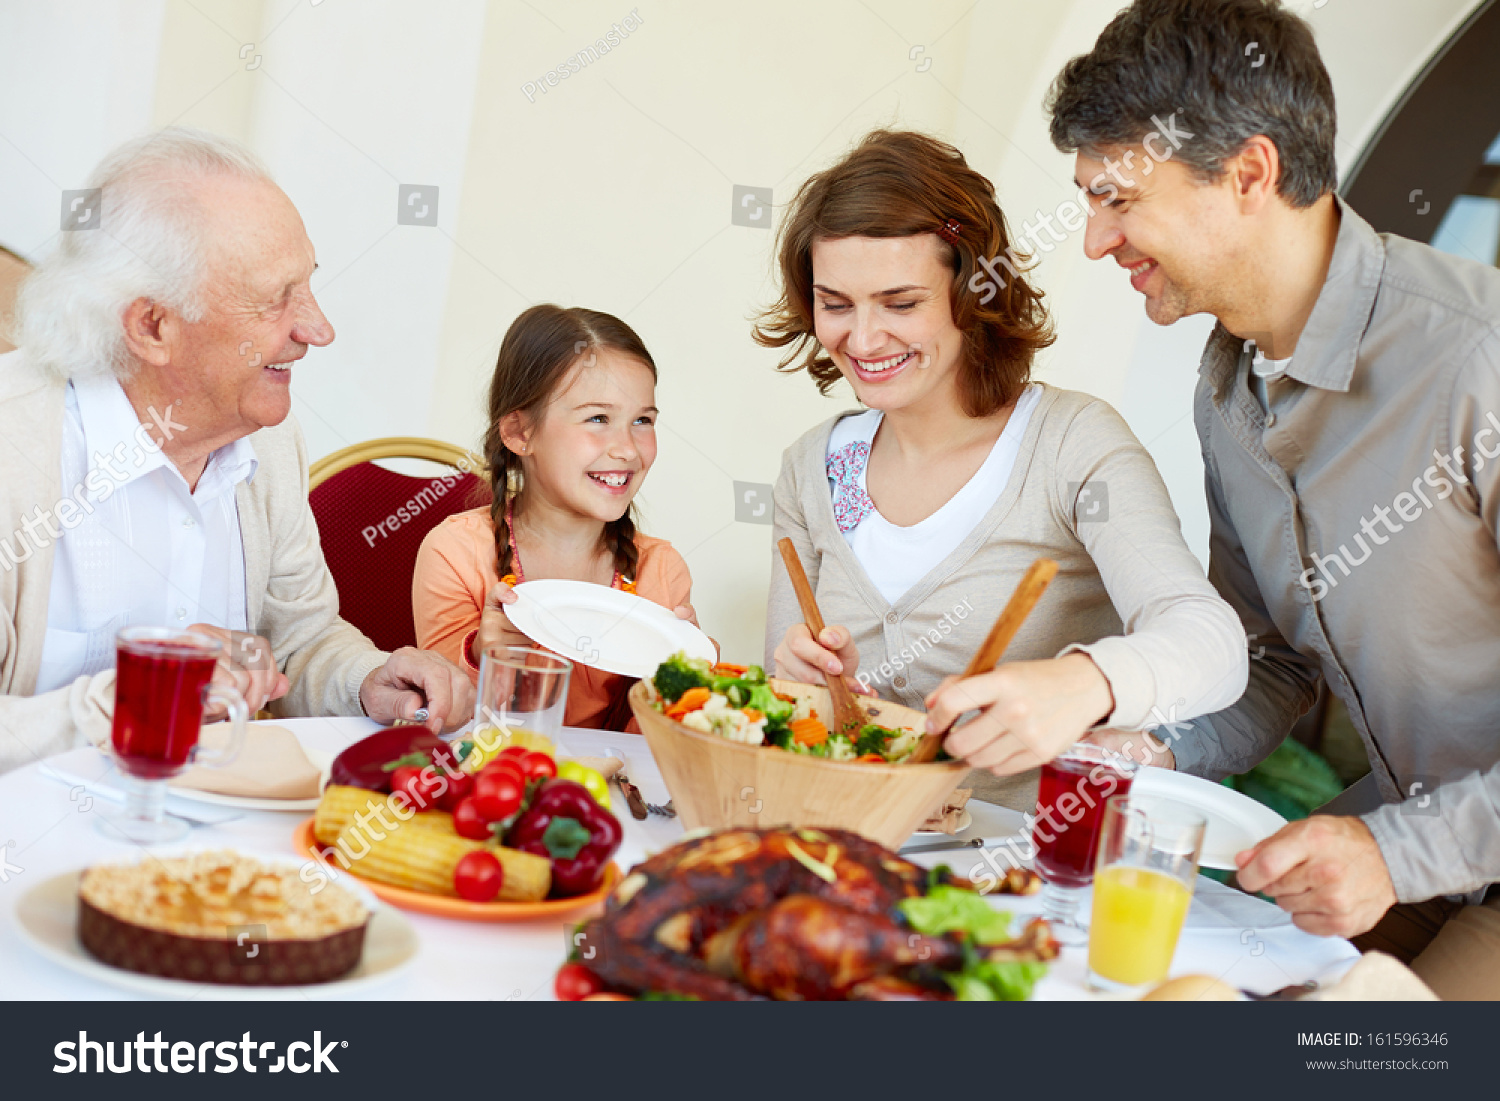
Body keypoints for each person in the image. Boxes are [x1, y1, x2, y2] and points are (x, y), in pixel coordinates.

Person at [1047, 0, 1500, 998]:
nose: (1093, 240)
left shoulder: (1479, 358)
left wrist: (1398, 858)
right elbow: (1272, 659)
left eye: (1119, 200)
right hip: (1405, 826)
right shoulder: (1227, 394)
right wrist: (1155, 738)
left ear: (1248, 175)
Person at [756, 128, 1247, 809]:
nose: (862, 339)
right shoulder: (812, 467)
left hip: (1018, 883)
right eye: (836, 304)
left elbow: (1211, 642)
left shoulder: (1072, 444)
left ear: (973, 293)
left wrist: (1080, 684)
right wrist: (796, 683)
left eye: (901, 303)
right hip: (841, 854)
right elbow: (782, 721)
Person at [0, 127, 473, 775]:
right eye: (275, 298)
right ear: (152, 325)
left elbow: (300, 640)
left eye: (307, 284)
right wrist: (139, 700)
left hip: (216, 852)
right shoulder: (13, 445)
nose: (317, 328)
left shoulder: (266, 435)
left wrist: (368, 679)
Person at [412, 304, 696, 729]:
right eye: (598, 418)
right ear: (519, 433)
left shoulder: (662, 571)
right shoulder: (455, 552)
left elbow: (649, 751)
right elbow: (448, 724)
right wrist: (478, 656)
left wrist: (686, 691)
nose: (627, 449)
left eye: (642, 420)